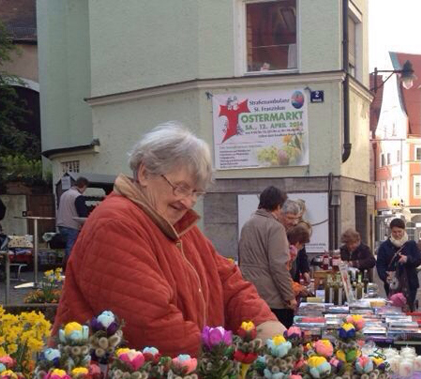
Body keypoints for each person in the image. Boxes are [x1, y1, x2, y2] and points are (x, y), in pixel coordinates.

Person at [53, 122, 283, 355]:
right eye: (180, 188)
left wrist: (263, 323)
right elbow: (151, 325)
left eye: (195, 193)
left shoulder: (175, 223)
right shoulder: (115, 224)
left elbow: (227, 282)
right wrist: (226, 359)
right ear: (144, 173)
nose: (187, 202)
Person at [239, 186, 297, 329]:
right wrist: (289, 297)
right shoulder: (275, 227)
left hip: (251, 294)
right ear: (278, 205)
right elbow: (279, 266)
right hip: (272, 297)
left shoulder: (248, 224)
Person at [376, 218, 421, 311]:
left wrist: (407, 259)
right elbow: (380, 265)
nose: (397, 234)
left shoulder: (411, 244)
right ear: (390, 231)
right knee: (393, 308)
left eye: (399, 231)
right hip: (392, 283)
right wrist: (385, 277)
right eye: (394, 232)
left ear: (404, 230)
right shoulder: (385, 246)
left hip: (410, 282)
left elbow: (418, 261)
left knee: (408, 308)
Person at [56, 176, 90, 266]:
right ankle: (71, 267)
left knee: (68, 246)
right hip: (72, 225)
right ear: (83, 186)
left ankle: (66, 266)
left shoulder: (64, 194)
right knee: (71, 248)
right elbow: (82, 213)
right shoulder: (77, 196)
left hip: (61, 224)